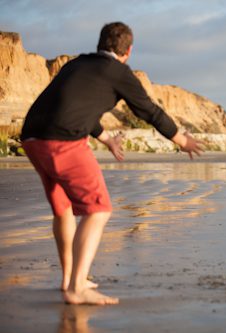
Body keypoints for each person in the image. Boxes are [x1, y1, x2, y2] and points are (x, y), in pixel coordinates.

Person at [21, 22, 203, 305]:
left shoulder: (76, 65)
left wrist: (106, 139)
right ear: (128, 51)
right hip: (63, 141)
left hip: (32, 137)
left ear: (100, 44)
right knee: (99, 208)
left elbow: (75, 107)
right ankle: (77, 287)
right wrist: (181, 140)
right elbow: (149, 111)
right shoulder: (119, 72)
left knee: (63, 209)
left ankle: (69, 278)